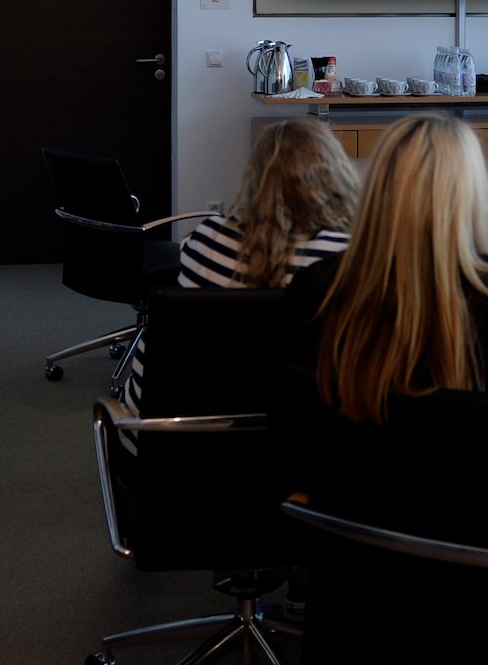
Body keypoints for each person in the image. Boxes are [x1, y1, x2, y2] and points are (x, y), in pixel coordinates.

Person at [277, 115, 488, 531]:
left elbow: (292, 434)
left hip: (364, 558)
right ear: (471, 196)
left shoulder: (316, 291)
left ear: (374, 192)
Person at [116, 119, 357, 439]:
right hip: (301, 447)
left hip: (174, 443)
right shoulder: (350, 258)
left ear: (257, 179)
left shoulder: (206, 242)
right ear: (335, 176)